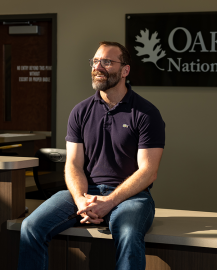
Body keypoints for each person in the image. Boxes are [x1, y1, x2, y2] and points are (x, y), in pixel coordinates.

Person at [17, 41, 165, 270]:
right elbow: (74, 165)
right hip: (85, 193)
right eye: (95, 61)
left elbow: (148, 171)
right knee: (30, 226)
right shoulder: (80, 111)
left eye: (107, 61)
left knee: (128, 233)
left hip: (131, 198)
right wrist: (80, 201)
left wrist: (109, 202)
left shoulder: (146, 113)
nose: (98, 66)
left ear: (125, 70)